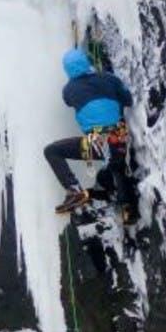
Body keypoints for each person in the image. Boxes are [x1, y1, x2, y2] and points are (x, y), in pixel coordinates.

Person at [44, 48, 138, 223]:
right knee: (115, 164)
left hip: (95, 142)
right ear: (87, 62)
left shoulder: (69, 90)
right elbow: (128, 100)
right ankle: (128, 207)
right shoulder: (110, 79)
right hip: (118, 139)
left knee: (52, 151)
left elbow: (69, 101)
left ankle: (75, 191)